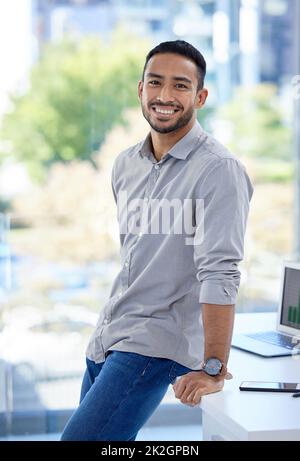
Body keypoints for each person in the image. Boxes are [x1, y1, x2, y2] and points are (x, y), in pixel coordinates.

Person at [61, 40, 253, 442]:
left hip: (155, 343)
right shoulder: (125, 164)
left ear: (200, 96)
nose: (165, 96)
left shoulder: (219, 170)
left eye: (181, 86)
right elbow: (135, 257)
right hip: (110, 334)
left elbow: (221, 271)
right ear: (141, 89)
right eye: (155, 82)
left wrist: (213, 366)